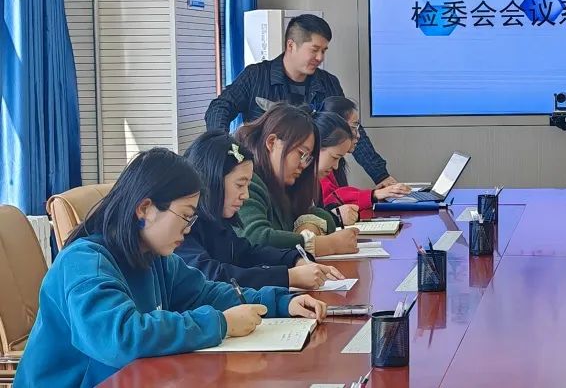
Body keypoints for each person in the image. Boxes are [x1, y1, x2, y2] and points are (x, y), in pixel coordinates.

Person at [13, 149, 326, 388]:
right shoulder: (85, 263)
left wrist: (279, 302)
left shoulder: (155, 257)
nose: (189, 229)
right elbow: (122, 338)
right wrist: (220, 324)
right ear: (145, 209)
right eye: (186, 216)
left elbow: (206, 294)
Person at [204, 14, 400, 189]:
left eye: (324, 50)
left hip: (320, 184)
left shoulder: (328, 83)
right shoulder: (256, 76)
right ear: (291, 45)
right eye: (314, 50)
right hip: (267, 178)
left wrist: (380, 175)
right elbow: (219, 107)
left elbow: (351, 129)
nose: (320, 57)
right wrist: (225, 149)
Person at [178, 131, 345, 290]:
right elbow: (211, 276)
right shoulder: (183, 227)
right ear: (212, 181)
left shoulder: (217, 222)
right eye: (240, 185)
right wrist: (288, 277)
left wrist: (294, 259)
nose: (245, 195)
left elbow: (247, 254)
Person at [233, 104, 359, 257]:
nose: (304, 164)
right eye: (301, 153)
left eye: (308, 157)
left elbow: (318, 214)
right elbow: (255, 238)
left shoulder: (283, 182)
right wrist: (324, 245)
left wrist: (308, 222)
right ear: (272, 143)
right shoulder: (247, 181)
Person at [317, 98, 410, 210]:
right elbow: (329, 200)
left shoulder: (332, 162)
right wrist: (374, 194)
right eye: (353, 127)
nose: (358, 135)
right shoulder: (320, 167)